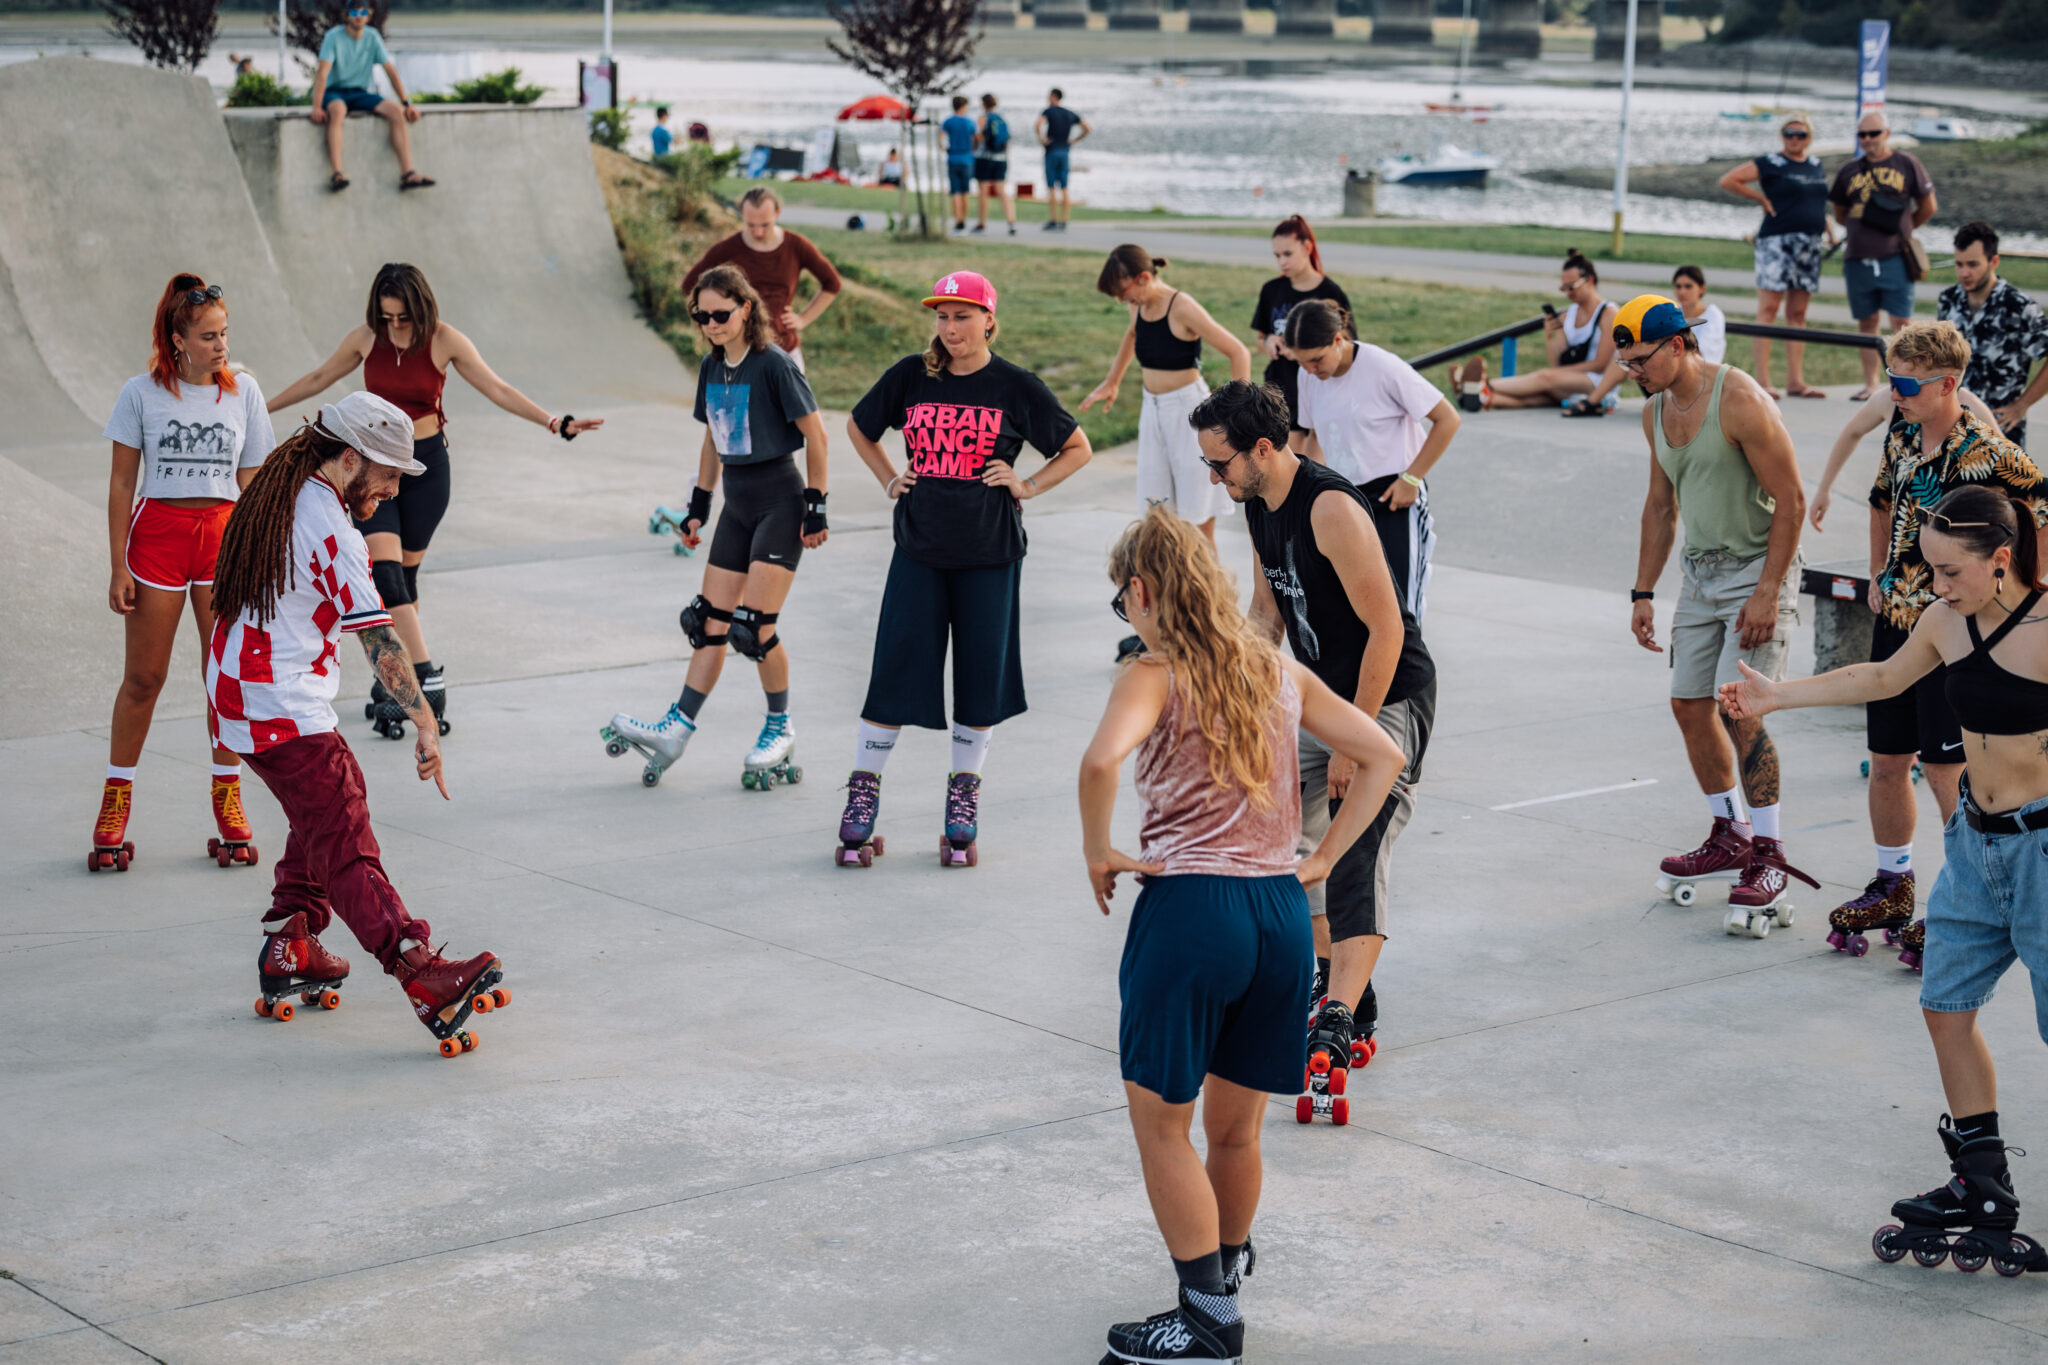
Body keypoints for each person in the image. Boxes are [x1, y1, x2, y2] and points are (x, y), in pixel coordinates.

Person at [1079, 507, 1405, 1364]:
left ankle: (1206, 1320)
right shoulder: (1276, 667)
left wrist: (1097, 848)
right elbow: (1383, 756)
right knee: (1236, 1130)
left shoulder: (1152, 672)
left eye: (1124, 603)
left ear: (1143, 592)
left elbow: (1101, 761)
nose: (1128, 617)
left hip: (1192, 912)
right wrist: (1328, 855)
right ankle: (1220, 1274)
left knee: (1162, 1127)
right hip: (1278, 917)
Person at [1719, 483, 2048, 1278]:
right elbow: (1881, 678)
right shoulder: (1946, 620)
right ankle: (1983, 1183)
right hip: (1975, 844)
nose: (1936, 584)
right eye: (1929, 569)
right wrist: (1779, 695)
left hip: (2043, 851)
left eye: (1949, 570)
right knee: (1945, 1005)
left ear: (2000, 559)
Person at [206, 393, 507, 1058]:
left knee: (322, 804)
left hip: (237, 692)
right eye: (389, 475)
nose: (394, 489)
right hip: (278, 702)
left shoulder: (283, 486)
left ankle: (292, 938)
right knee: (343, 829)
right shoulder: (332, 529)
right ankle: (418, 967)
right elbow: (379, 641)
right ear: (349, 458)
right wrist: (425, 719)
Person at [1195, 379, 1437, 1109]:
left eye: (1222, 464)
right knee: (1288, 844)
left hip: (1386, 694)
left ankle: (1336, 1011)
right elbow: (1268, 609)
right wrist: (1239, 699)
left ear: (1263, 449)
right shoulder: (1257, 502)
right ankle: (1341, 986)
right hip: (1316, 695)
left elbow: (1388, 630)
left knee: (1356, 842)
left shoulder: (1330, 508)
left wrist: (1354, 742)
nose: (1215, 478)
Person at [266, 263, 604, 737]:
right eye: (387, 317)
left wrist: (554, 422)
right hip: (374, 470)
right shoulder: (367, 338)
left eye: (403, 316)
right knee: (384, 575)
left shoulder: (444, 340)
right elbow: (320, 376)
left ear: (419, 307)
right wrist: (258, 409)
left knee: (404, 579)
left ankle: (391, 683)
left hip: (427, 471)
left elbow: (497, 387)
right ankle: (426, 676)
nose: (395, 326)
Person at [835, 271, 1093, 868]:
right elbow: (858, 426)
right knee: (893, 672)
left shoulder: (1015, 386)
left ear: (989, 321)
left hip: (990, 552)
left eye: (962, 316)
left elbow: (1075, 447)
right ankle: (862, 792)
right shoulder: (911, 375)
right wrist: (888, 478)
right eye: (943, 317)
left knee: (980, 679)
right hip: (920, 549)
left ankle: (963, 796)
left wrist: (1027, 484)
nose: (950, 328)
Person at [1812, 322, 2048, 961]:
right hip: (1900, 616)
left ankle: (1964, 889)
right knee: (1888, 756)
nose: (1895, 391)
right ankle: (1893, 881)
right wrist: (1876, 573)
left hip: (1959, 629)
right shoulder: (1902, 435)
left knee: (1946, 766)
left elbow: (2041, 513)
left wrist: (2026, 594)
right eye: (1891, 380)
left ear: (1948, 384)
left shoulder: (1989, 452)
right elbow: (1881, 501)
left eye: (1907, 383)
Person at [1622, 293, 1819, 935]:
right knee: (1688, 705)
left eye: (1642, 359)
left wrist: (1767, 590)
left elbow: (1791, 498)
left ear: (1678, 344)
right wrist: (1643, 591)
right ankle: (1729, 832)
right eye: (1625, 361)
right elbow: (1659, 506)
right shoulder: (1654, 411)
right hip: (1701, 575)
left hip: (1757, 568)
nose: (1634, 371)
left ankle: (1769, 853)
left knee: (1742, 707)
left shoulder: (1739, 399)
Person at [602, 267, 830, 790]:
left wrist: (815, 504)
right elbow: (712, 439)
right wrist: (698, 505)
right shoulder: (711, 366)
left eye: (721, 315)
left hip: (780, 502)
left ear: (746, 308)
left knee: (754, 629)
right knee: (708, 623)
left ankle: (780, 726)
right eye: (702, 317)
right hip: (737, 505)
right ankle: (676, 729)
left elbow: (816, 435)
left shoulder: (773, 366)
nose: (711, 325)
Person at [91, 273, 278, 874]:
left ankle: (228, 794)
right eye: (208, 336)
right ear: (177, 340)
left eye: (224, 333)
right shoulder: (139, 394)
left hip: (223, 543)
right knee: (143, 678)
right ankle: (116, 800)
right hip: (159, 541)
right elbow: (122, 483)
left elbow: (253, 481)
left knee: (223, 678)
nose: (221, 346)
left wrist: (269, 548)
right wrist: (117, 563)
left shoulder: (243, 391)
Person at [1286, 299, 1460, 620]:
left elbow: (1447, 419)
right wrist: (1307, 495)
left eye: (1316, 359)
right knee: (1354, 611)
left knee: (1400, 611)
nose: (1310, 369)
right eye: (1301, 362)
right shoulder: (1309, 375)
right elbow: (1315, 438)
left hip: (1394, 496)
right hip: (1346, 499)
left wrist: (1411, 479)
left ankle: (1410, 673)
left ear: (1338, 340)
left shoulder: (1382, 367)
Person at [1084, 245, 1250, 548]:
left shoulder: (1181, 306)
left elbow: (1238, 351)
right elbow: (1133, 334)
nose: (1122, 300)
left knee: (1198, 524)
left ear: (1144, 278)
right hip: (1153, 410)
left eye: (1124, 292)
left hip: (1189, 413)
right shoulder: (1138, 305)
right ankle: (1167, 594)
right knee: (1156, 516)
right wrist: (1112, 380)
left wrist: (1236, 415)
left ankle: (1209, 596)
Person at [1719, 113, 1835, 399]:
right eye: (1789, 133)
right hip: (1777, 240)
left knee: (1798, 313)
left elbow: (1816, 202)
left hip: (1809, 242)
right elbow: (1729, 180)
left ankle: (1796, 380)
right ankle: (1763, 381)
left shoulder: (1815, 164)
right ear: (1782, 135)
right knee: (1769, 309)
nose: (1794, 139)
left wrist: (1829, 228)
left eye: (1801, 134)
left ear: (1810, 137)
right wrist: (1760, 198)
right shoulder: (1770, 162)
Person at [1831, 109, 1937, 401]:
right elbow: (1839, 211)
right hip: (1858, 258)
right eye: (1862, 134)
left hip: (1895, 257)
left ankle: (1906, 382)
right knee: (1867, 322)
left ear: (1887, 134)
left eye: (1873, 133)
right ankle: (1870, 383)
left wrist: (1904, 227)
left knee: (1902, 323)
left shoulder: (1906, 163)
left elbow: (1928, 205)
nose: (1868, 139)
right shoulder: (1849, 170)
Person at [682, 187, 843, 372]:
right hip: (741, 353)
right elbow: (690, 285)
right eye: (751, 225)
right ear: (742, 214)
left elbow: (832, 283)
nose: (758, 232)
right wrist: (715, 321)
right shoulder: (728, 248)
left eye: (765, 225)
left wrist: (803, 319)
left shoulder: (796, 246)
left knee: (791, 401)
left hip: (785, 349)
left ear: (777, 213)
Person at [1457, 249, 1617, 410]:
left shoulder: (1608, 313)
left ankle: (1479, 385)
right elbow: (1557, 362)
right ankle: (1479, 396)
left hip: (1598, 382)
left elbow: (1600, 364)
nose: (1568, 293)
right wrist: (1549, 336)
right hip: (1570, 381)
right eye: (1564, 288)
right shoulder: (1569, 315)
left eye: (1572, 287)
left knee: (1545, 377)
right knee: (1536, 397)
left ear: (1589, 280)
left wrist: (1559, 374)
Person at [1939, 220, 2048, 450]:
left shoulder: (2018, 307)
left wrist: (2022, 405)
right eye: (1959, 264)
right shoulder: (1948, 301)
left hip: (2001, 428)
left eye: (1973, 264)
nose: (1964, 272)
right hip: (1953, 425)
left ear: (1994, 261)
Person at [1573, 265, 1728, 417]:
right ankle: (1594, 401)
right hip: (1662, 379)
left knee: (1641, 359)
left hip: (1697, 383)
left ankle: (1593, 401)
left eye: (1688, 286)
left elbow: (1701, 354)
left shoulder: (1712, 314)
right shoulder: (1673, 309)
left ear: (1702, 288)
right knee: (1625, 357)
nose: (1682, 291)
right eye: (1678, 286)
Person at [308, 5, 432, 193]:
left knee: (395, 111)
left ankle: (408, 174)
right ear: (346, 15)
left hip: (359, 92)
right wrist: (316, 107)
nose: (359, 17)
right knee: (338, 110)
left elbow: (390, 71)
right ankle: (337, 173)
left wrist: (406, 103)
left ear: (369, 16)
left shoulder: (372, 36)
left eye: (363, 13)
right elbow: (322, 73)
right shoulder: (334, 36)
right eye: (354, 13)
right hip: (334, 92)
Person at [1249, 214, 1350, 441]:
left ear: (1307, 248)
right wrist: (1269, 343)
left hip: (1318, 388)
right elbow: (1259, 340)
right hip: (1280, 390)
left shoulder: (1329, 292)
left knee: (1309, 463)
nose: (1282, 262)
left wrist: (1302, 352)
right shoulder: (1271, 290)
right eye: (1277, 256)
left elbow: (1346, 344)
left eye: (1288, 254)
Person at [1035, 88, 1089, 232]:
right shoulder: (1069, 113)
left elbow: (1038, 124)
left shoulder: (1048, 111)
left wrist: (1042, 140)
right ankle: (1064, 221)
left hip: (1051, 151)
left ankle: (1053, 219)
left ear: (1053, 97)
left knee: (1052, 187)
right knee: (1064, 187)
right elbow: (1087, 128)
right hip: (1064, 151)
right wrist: (1074, 140)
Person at [972, 92, 1015, 237]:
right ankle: (1011, 222)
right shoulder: (1002, 119)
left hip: (985, 158)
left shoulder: (983, 118)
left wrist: (974, 149)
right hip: (1001, 159)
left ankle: (982, 223)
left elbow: (978, 138)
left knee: (983, 191)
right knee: (1001, 191)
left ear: (983, 104)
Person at [942, 95, 978, 235]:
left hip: (953, 159)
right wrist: (972, 150)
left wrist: (946, 149)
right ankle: (963, 220)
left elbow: (940, 138)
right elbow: (977, 139)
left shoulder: (948, 122)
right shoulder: (970, 122)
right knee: (965, 192)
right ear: (964, 106)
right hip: (967, 159)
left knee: (955, 192)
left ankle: (958, 221)